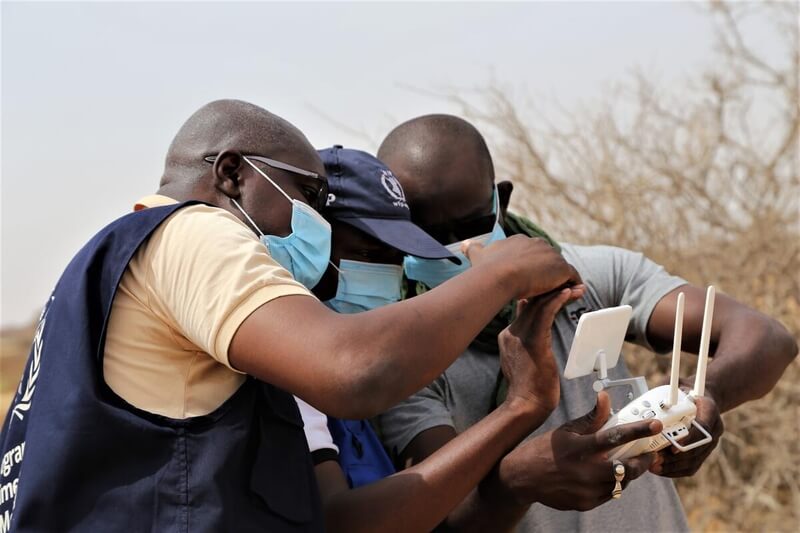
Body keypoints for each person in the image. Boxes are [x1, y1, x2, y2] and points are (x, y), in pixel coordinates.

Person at [0, 101, 583, 532]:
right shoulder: (192, 232)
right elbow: (355, 371)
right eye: (306, 199)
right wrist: (498, 274)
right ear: (231, 175)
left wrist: (522, 406)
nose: (318, 233)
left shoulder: (109, 270)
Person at [375, 114, 799, 532]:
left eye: (471, 226)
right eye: (429, 234)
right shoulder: (405, 353)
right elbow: (444, 514)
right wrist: (515, 483)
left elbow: (767, 338)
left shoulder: (586, 278)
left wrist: (699, 398)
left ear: (500, 200)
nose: (461, 249)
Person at [291, 146, 660, 533]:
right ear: (312, 244)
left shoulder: (586, 278)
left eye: (394, 258)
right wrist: (519, 432)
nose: (384, 275)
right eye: (366, 252)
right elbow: (348, 522)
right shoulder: (301, 374)